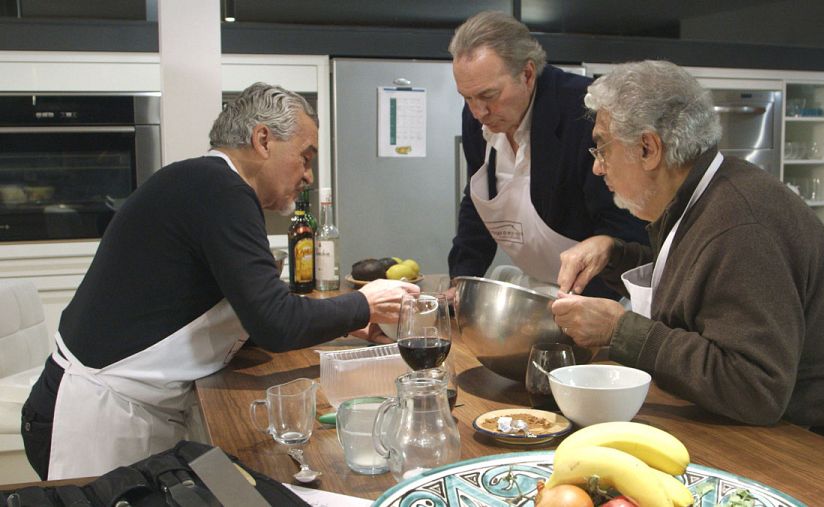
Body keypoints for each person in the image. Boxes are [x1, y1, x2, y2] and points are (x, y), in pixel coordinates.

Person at [21, 82, 419, 480]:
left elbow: (250, 311)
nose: (308, 176)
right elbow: (274, 323)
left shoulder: (203, 182)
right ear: (263, 140)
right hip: (93, 415)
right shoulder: (222, 190)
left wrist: (344, 322)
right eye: (305, 157)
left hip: (115, 406)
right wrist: (364, 303)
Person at [551, 60, 824, 453]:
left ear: (648, 148)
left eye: (602, 147)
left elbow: (755, 387)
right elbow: (703, 280)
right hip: (758, 430)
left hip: (812, 450)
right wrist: (615, 253)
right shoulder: (708, 194)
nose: (597, 166)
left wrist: (620, 331)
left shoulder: (742, 223)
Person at [447, 11, 647, 298]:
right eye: (467, 97)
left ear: (527, 74)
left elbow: (623, 227)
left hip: (605, 294)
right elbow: (479, 202)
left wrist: (584, 308)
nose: (478, 112)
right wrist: (462, 280)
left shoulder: (586, 113)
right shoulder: (478, 117)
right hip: (541, 288)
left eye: (489, 96)